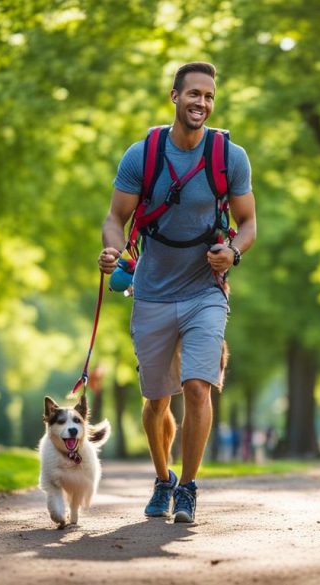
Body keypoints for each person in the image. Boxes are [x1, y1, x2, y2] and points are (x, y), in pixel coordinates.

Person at [98, 62, 256, 523]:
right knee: (156, 401)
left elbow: (248, 223)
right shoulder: (142, 156)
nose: (201, 103)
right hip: (151, 290)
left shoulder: (231, 157)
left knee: (197, 387)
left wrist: (233, 252)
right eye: (193, 94)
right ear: (174, 96)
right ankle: (163, 477)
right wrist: (112, 252)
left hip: (205, 290)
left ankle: (188, 487)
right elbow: (115, 218)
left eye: (209, 96)